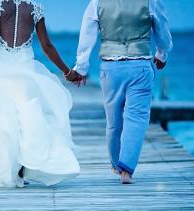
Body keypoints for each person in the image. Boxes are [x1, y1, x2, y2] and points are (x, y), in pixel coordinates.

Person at [0, 0, 81, 188]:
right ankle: (24, 167)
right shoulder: (35, 6)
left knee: (4, 120)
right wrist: (67, 71)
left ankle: (8, 171)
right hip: (25, 68)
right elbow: (47, 46)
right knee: (27, 119)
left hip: (2, 68)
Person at [68, 0, 173, 184]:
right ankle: (127, 170)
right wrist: (162, 53)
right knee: (137, 117)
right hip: (140, 64)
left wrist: (82, 68)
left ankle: (117, 164)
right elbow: (162, 30)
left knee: (113, 121)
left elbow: (87, 35)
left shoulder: (97, 2)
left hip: (111, 68)